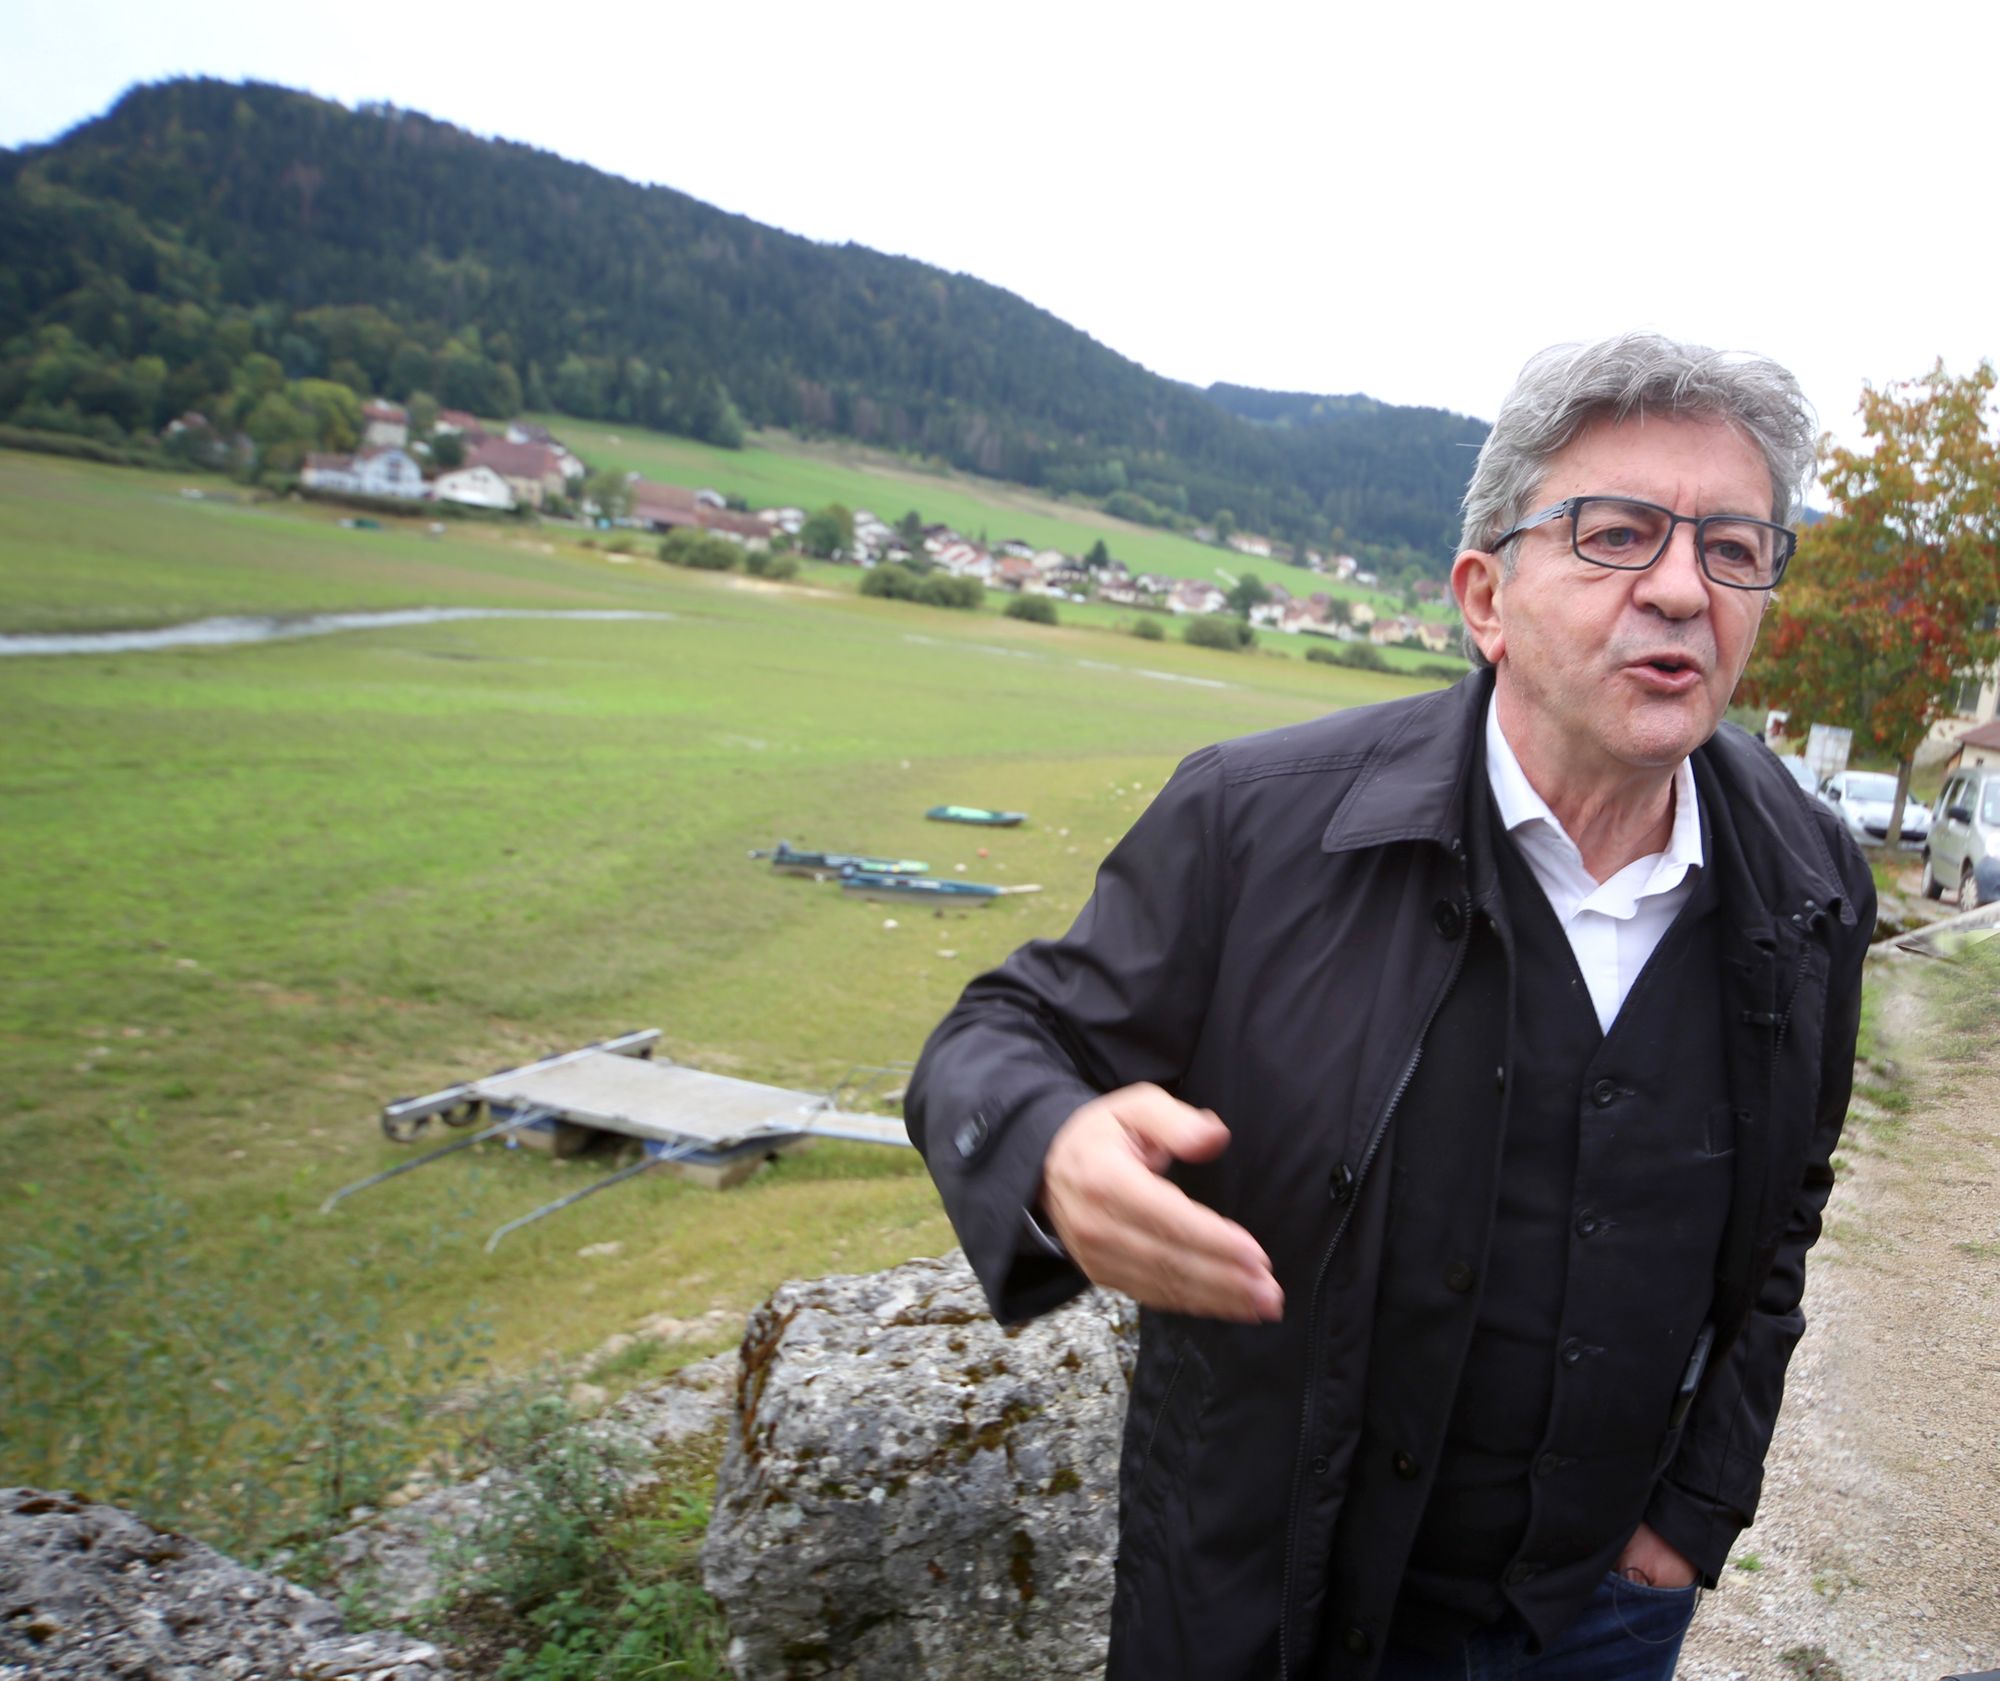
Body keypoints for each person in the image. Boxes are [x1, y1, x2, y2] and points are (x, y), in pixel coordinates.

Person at [905, 333, 1874, 1681]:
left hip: (1602, 1615)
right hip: (1272, 1612)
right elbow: (995, 1039)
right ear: (1486, 595)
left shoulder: (1814, 880)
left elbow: (1782, 1226)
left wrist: (1690, 1519)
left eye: (1732, 547)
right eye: (1616, 535)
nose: (1679, 588)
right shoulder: (1255, 821)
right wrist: (1052, 1149)